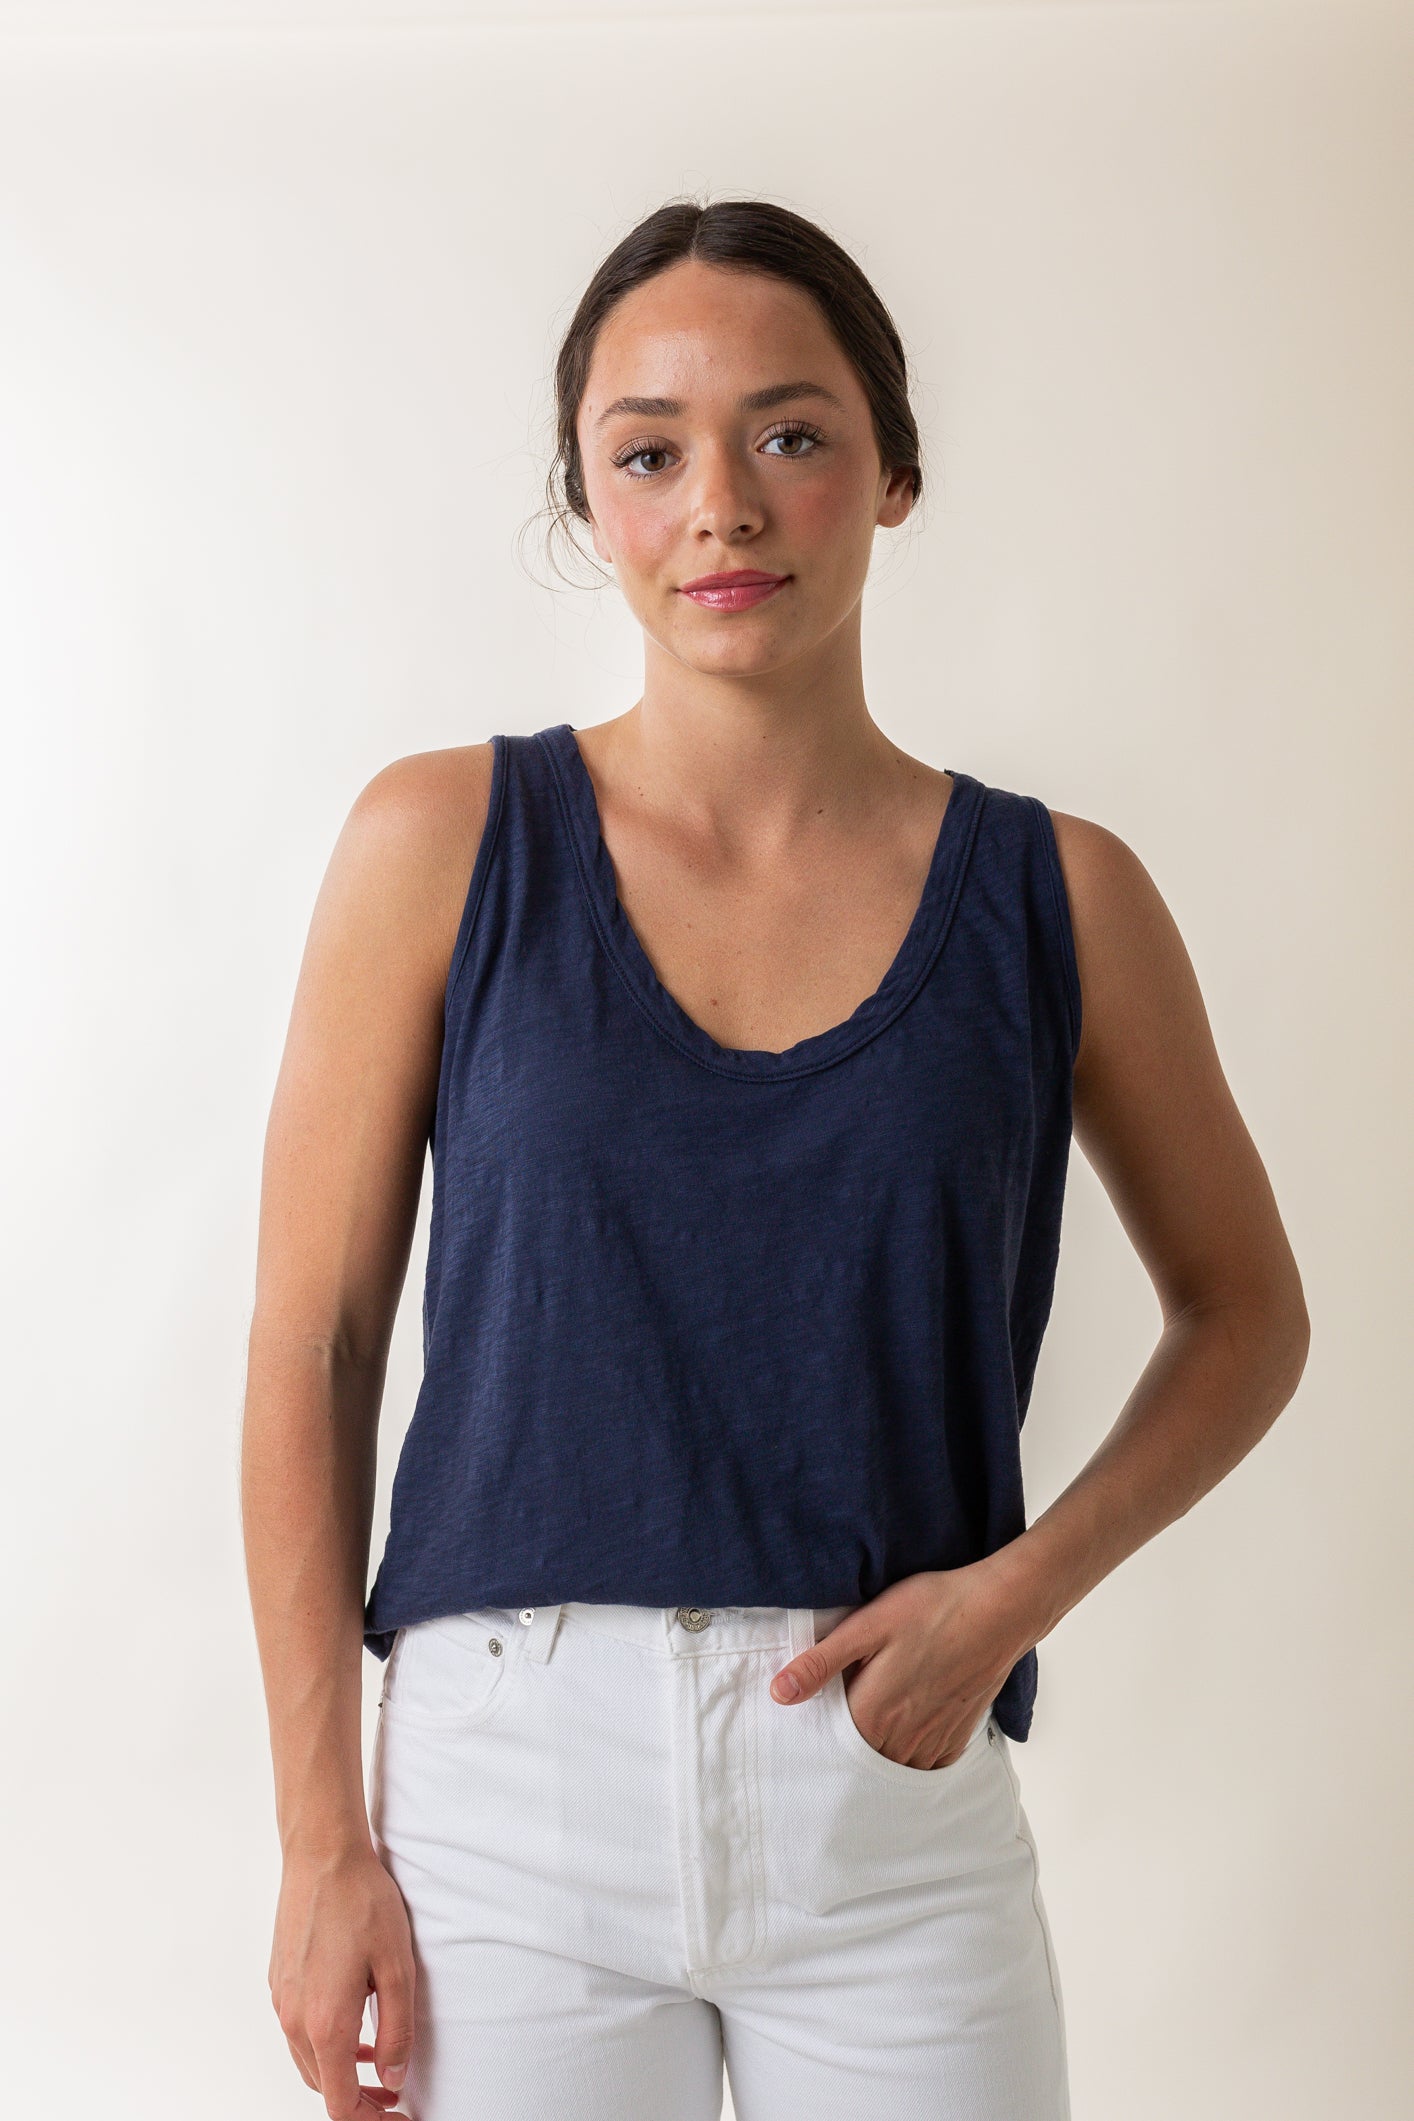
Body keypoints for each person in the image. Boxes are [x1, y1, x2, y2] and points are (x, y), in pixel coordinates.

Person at [241, 196, 1310, 2121]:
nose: (720, 507)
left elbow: (1244, 1314)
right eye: (649, 452)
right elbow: (313, 1341)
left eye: (789, 435)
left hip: (886, 1797)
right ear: (587, 498)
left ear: (892, 470)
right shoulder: (442, 845)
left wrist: (1013, 1596)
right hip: (505, 1799)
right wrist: (323, 1842)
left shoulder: (1056, 896)